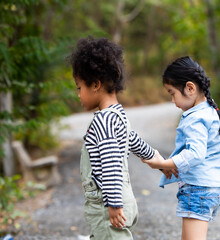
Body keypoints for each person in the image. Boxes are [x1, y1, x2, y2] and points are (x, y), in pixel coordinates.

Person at [67, 36, 163, 240]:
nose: (78, 95)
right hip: (122, 199)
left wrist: (113, 205)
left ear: (95, 84)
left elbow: (110, 164)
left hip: (108, 206)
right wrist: (157, 160)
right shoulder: (118, 115)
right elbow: (134, 141)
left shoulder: (103, 121)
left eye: (79, 87)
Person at [142, 56, 220, 240]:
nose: (173, 100)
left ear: (190, 88)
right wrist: (215, 183)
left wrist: (165, 163)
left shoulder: (195, 118)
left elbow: (196, 154)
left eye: (172, 93)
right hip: (214, 188)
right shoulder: (214, 113)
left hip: (198, 190)